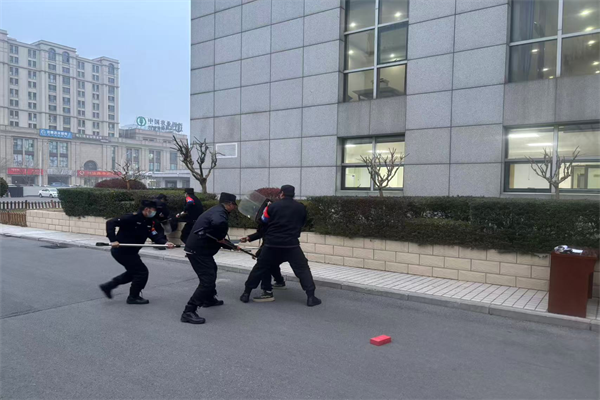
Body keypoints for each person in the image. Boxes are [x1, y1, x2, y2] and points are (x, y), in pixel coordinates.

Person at [240, 185, 321, 307]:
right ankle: (311, 297)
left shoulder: (272, 207)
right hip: (291, 245)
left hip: (272, 244)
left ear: (282, 193)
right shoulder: (301, 208)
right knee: (302, 269)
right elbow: (302, 223)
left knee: (259, 268)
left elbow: (263, 220)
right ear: (293, 194)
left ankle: (246, 293)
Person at [99, 200, 175, 304]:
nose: (155, 212)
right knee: (142, 272)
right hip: (121, 251)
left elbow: (154, 235)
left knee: (134, 272)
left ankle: (108, 286)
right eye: (154, 210)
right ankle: (133, 297)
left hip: (132, 252)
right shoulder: (131, 218)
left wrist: (165, 243)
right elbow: (110, 222)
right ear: (147, 209)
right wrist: (113, 240)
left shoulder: (149, 221)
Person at [180, 192, 238, 325]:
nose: (235, 208)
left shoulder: (217, 210)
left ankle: (208, 298)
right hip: (197, 251)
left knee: (212, 270)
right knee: (207, 280)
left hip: (201, 250)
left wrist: (231, 246)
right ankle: (189, 311)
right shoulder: (219, 214)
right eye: (234, 205)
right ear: (230, 204)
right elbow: (218, 224)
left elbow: (215, 236)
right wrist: (220, 237)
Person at [239, 199, 286, 290]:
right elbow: (262, 233)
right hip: (277, 246)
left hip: (277, 246)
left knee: (265, 265)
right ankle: (279, 281)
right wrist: (248, 238)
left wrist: (258, 253)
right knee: (272, 264)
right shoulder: (269, 220)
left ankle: (266, 290)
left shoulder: (272, 222)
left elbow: (267, 240)